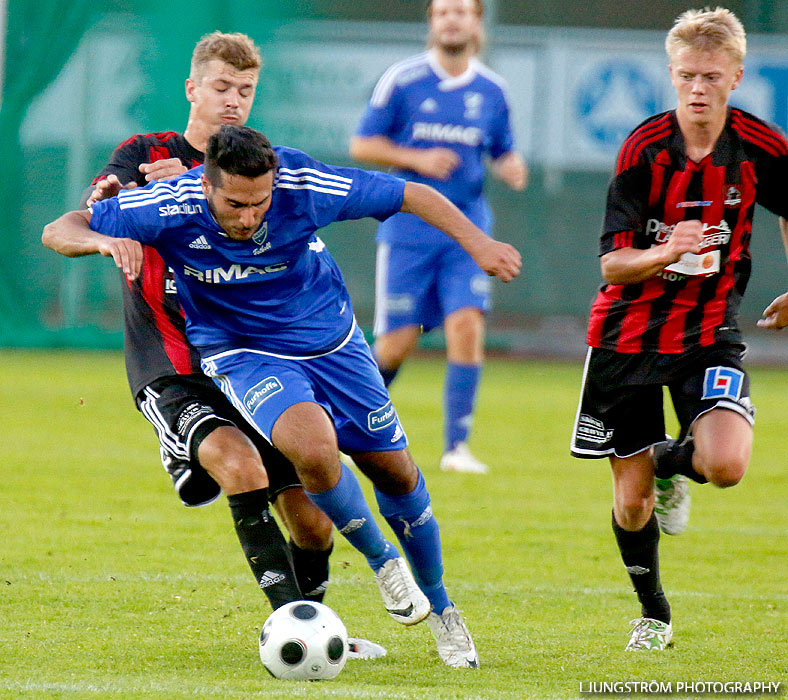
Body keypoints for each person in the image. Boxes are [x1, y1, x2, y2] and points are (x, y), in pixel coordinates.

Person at [44, 124, 522, 667]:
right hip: (242, 352)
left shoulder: (303, 183)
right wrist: (103, 240)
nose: (249, 217)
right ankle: (383, 561)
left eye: (259, 202)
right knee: (313, 450)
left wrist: (479, 243)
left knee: (395, 472)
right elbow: (61, 228)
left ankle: (442, 610)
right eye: (235, 204)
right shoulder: (167, 204)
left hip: (332, 342)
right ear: (206, 183)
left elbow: (409, 192)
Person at [77, 31, 384, 660]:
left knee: (311, 515)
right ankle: (293, 630)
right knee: (239, 466)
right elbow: (98, 205)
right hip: (172, 358)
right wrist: (115, 212)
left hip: (251, 355)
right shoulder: (144, 154)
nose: (232, 101)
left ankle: (318, 628)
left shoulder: (255, 168)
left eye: (245, 90)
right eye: (221, 88)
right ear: (192, 89)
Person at [569, 7, 788, 651]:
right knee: (632, 502)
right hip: (627, 336)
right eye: (688, 75)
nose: (699, 88)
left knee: (725, 464)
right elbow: (612, 263)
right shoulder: (643, 149)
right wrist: (666, 251)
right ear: (671, 74)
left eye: (712, 77)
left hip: (708, 332)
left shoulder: (761, 146)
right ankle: (655, 615)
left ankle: (672, 459)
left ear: (736, 77)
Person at [349, 0, 527, 475]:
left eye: (462, 11)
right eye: (443, 11)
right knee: (396, 343)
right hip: (409, 229)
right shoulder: (402, 79)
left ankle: (457, 448)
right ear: (432, 21)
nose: (452, 19)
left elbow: (503, 147)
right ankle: (347, 423)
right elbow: (362, 144)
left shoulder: (493, 89)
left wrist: (510, 165)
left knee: (467, 326)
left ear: (476, 22)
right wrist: (417, 160)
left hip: (468, 232)